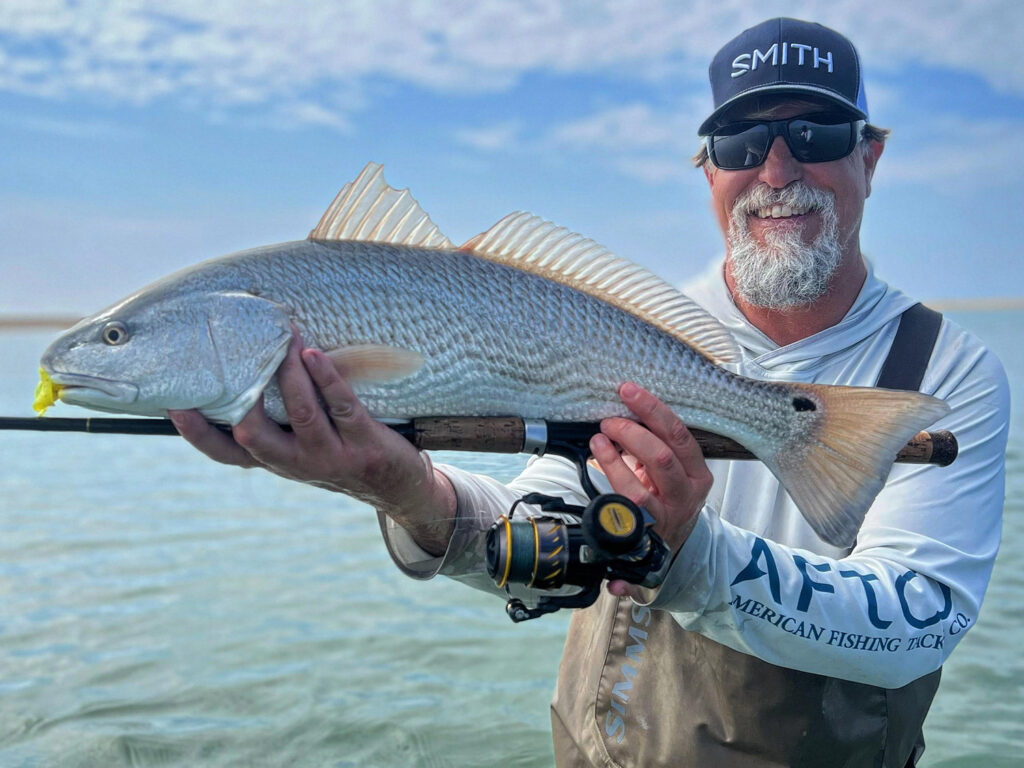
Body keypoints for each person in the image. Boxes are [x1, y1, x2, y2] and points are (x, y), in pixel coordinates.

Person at [170, 17, 1009, 768]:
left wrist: (690, 553)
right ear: (706, 169)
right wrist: (400, 488)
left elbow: (916, 621)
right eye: (739, 144)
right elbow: (534, 543)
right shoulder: (630, 329)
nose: (776, 168)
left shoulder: (945, 369)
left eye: (814, 131)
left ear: (871, 155)